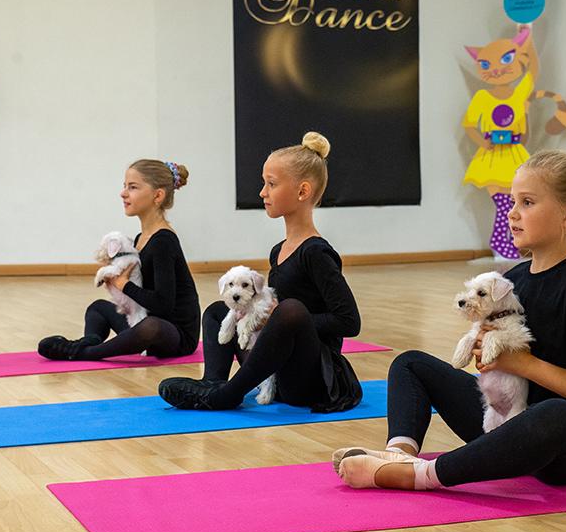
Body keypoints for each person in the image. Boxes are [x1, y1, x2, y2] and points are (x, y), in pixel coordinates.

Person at [334, 150, 566, 490]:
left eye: (527, 203)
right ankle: (398, 455)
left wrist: (525, 365)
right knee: (410, 364)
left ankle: (421, 476)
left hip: (565, 443)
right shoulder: (512, 280)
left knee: (558, 414)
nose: (512, 213)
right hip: (508, 420)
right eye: (513, 201)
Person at [158, 132, 362, 412]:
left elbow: (349, 322)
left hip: (312, 377)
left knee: (290, 310)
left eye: (271, 184)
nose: (262, 192)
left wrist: (279, 319)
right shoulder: (278, 251)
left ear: (302, 192)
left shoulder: (316, 252)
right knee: (218, 311)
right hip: (279, 368)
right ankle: (214, 383)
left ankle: (229, 393)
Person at [37, 159, 200, 361]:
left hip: (174, 335)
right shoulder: (141, 238)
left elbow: (163, 304)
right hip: (144, 319)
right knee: (98, 308)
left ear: (157, 195)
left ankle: (84, 353)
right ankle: (88, 342)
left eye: (132, 187)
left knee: (150, 327)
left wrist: (123, 284)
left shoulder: (163, 241)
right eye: (125, 186)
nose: (123, 193)